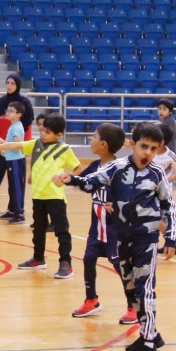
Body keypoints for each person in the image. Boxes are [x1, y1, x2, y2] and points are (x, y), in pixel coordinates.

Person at [56, 122, 176, 351]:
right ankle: (151, 332)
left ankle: (148, 343)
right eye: (144, 146)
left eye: (154, 149)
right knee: (131, 288)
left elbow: (169, 207)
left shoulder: (157, 173)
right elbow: (90, 181)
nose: (148, 153)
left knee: (145, 288)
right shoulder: (117, 168)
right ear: (132, 145)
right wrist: (69, 179)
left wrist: (171, 238)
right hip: (122, 239)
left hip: (147, 239)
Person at [0, 112, 84, 279]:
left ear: (59, 134)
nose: (43, 134)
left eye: (48, 132)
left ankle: (65, 263)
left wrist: (66, 179)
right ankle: (38, 258)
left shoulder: (65, 149)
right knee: (38, 229)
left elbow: (78, 169)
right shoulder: (36, 144)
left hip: (55, 197)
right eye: (43, 130)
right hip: (38, 196)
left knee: (61, 230)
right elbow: (13, 146)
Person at [67, 123, 131, 323]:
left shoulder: (119, 170)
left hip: (115, 230)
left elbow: (129, 195)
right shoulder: (95, 166)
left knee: (120, 266)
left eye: (94, 137)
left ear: (103, 144)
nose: (91, 140)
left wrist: (120, 206)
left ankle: (134, 305)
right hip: (97, 228)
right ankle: (91, 300)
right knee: (88, 260)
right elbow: (84, 183)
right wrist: (68, 178)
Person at [0, 73, 34, 220]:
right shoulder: (0, 103)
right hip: (1, 148)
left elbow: (28, 127)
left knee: (15, 181)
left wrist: (26, 147)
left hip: (14, 150)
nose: (9, 86)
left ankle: (16, 210)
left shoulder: (24, 104)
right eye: (7, 83)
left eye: (12, 83)